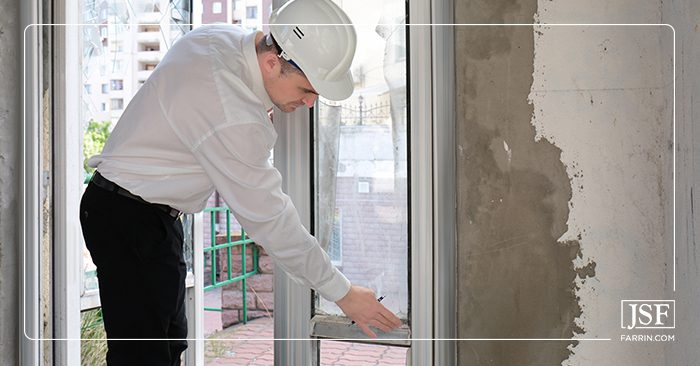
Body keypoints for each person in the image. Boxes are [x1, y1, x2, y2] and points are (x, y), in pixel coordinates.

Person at [79, 0, 402, 364]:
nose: (310, 103)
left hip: (145, 213)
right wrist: (342, 292)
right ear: (272, 63)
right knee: (143, 357)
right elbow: (272, 221)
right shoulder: (231, 112)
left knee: (167, 347)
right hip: (128, 218)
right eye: (307, 89)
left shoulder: (220, 38)